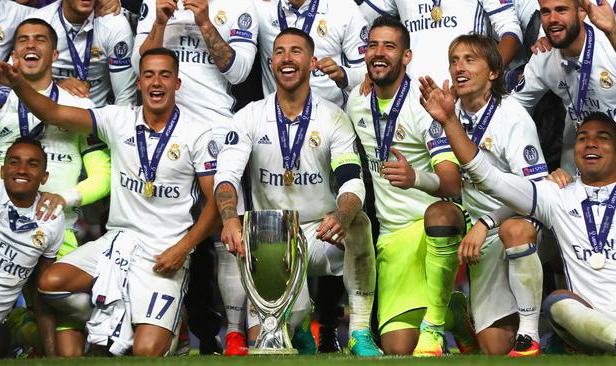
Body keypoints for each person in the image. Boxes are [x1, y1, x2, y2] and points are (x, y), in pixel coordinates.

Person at [0, 47, 219, 356]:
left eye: (165, 75)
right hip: (119, 243)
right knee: (50, 283)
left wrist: (183, 248)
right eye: (149, 75)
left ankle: (167, 327)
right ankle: (120, 322)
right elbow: (53, 113)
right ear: (139, 83)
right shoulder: (117, 119)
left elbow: (216, 203)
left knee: (145, 352)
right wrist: (18, 84)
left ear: (177, 84)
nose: (156, 83)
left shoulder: (197, 132)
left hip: (165, 251)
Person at [423, 70, 616, 355]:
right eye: (582, 138)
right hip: (593, 317)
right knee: (557, 304)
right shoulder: (556, 195)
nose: (590, 143)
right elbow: (490, 178)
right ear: (575, 151)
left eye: (602, 138)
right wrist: (450, 122)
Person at [214, 27, 381, 357]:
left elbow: (351, 178)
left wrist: (343, 213)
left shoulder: (333, 118)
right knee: (282, 339)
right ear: (271, 62)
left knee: (359, 222)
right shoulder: (249, 116)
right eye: (279, 52)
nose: (286, 58)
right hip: (274, 238)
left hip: (322, 232)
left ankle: (359, 331)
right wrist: (230, 217)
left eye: (296, 51)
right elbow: (226, 176)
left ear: (312, 61)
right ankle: (299, 324)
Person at [345, 16, 477, 357]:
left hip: (432, 227)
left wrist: (415, 178)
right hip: (392, 236)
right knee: (398, 352)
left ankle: (435, 325)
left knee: (442, 213)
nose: (379, 53)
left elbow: (453, 183)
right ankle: (453, 311)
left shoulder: (422, 105)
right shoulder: (357, 103)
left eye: (389, 46)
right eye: (373, 45)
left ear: (406, 56)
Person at [133, 0, 257, 354]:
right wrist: (159, 22)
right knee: (165, 231)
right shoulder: (154, 3)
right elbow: (137, 67)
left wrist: (203, 21)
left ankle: (234, 333)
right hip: (163, 131)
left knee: (225, 233)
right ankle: (181, 330)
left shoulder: (238, 6)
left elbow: (239, 71)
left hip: (217, 132)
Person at [419, 33, 550, 355]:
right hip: (479, 232)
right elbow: (450, 184)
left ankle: (535, 330)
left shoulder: (513, 116)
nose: (459, 67)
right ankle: (458, 311)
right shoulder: (444, 114)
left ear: (493, 72)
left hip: (520, 222)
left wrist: (486, 222)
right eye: (454, 60)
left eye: (469, 59)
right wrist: (416, 178)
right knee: (494, 349)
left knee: (514, 228)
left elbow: (535, 192)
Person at [0, 18, 111, 357]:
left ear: (54, 52)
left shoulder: (79, 105)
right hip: (2, 230)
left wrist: (65, 197)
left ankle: (22, 326)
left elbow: (102, 175)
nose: (31, 45)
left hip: (57, 231)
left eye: (40, 40)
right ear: (14, 52)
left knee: (67, 356)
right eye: (23, 40)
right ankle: (12, 323)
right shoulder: (0, 102)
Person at [512, 0, 616, 175]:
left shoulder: (615, 47)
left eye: (561, 10)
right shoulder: (543, 56)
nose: (552, 18)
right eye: (546, 12)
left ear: (582, 12)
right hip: (585, 152)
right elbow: (513, 109)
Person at [0, 137, 65, 358]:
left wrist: (51, 356)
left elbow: (41, 289)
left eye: (32, 164)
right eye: (14, 162)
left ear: (44, 177)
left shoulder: (52, 218)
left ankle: (16, 329)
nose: (22, 170)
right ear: (2, 170)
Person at [358, 0, 523, 82]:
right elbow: (358, 21)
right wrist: (370, 70)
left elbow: (511, 33)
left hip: (467, 97)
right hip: (412, 98)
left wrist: (486, 78)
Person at [254, 0, 368, 108]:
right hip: (274, 120)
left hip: (333, 118)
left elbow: (368, 74)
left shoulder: (343, 8)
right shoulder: (261, 8)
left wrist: (343, 75)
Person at [27, 0, 136, 106]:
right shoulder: (37, 23)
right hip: (44, 114)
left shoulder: (115, 25)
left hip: (96, 118)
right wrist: (53, 88)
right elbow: (16, 82)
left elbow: (125, 99)